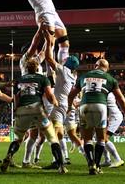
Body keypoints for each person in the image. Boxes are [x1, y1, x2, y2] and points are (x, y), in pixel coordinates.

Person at [0, 58, 68, 174]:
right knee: (52, 138)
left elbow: (15, 100)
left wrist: (18, 112)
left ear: (26, 68)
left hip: (21, 110)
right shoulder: (42, 78)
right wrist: (55, 102)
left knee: (18, 139)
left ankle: (9, 155)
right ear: (37, 68)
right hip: (37, 109)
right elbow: (50, 96)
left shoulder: (19, 80)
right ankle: (61, 166)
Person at [67, 58, 125, 175]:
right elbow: (121, 98)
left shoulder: (84, 76)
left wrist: (68, 107)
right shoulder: (110, 79)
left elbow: (71, 95)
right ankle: (97, 165)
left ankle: (91, 163)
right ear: (107, 68)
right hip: (101, 107)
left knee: (87, 139)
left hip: (84, 106)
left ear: (95, 66)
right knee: (101, 139)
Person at [42, 28, 80, 169]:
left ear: (67, 62)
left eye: (65, 60)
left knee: (54, 133)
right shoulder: (72, 75)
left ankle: (59, 161)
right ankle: (58, 159)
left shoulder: (64, 71)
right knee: (55, 131)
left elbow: (49, 59)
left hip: (59, 105)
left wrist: (48, 41)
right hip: (62, 104)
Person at [19, 25, 48, 168]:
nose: (37, 54)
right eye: (34, 52)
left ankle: (25, 160)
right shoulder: (26, 59)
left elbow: (43, 51)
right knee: (29, 134)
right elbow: (35, 44)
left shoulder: (35, 63)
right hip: (30, 100)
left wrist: (49, 37)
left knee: (33, 134)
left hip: (35, 99)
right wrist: (41, 29)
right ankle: (18, 159)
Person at [100, 92, 125, 168]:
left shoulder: (104, 93)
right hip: (110, 117)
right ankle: (107, 160)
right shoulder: (107, 90)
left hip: (115, 118)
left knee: (104, 139)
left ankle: (118, 159)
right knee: (99, 137)